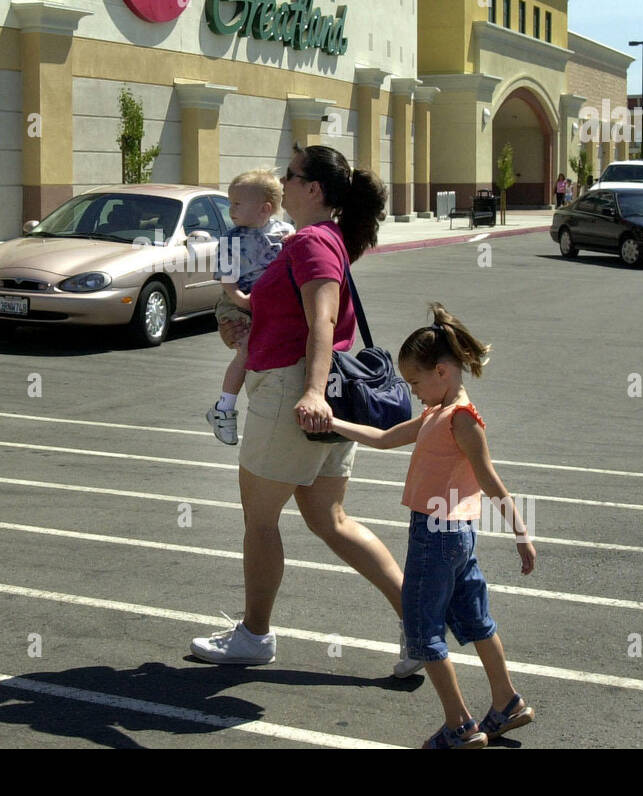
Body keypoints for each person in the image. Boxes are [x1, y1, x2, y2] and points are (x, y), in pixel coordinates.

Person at [190, 144, 423, 677]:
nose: (282, 182)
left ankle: (254, 636)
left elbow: (322, 322)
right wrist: (240, 325)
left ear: (313, 189)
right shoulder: (317, 240)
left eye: (290, 176)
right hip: (314, 391)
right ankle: (421, 629)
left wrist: (312, 392)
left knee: (261, 519)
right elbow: (291, 315)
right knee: (330, 520)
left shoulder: (313, 242)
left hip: (296, 395)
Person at [329, 304, 536, 748]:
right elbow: (385, 439)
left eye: (415, 382)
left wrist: (521, 533)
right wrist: (333, 422)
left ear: (442, 371)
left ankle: (459, 725)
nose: (414, 391)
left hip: (435, 536)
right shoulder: (440, 412)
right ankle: (507, 703)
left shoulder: (460, 419)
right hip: (458, 537)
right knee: (477, 621)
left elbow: (490, 478)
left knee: (424, 632)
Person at [205, 170, 294, 445]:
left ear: (265, 209)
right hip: (237, 304)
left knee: (264, 353)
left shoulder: (285, 232)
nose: (231, 210)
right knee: (246, 350)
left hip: (268, 305)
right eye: (230, 203)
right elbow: (228, 283)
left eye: (238, 204)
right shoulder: (231, 239)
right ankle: (223, 408)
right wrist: (242, 299)